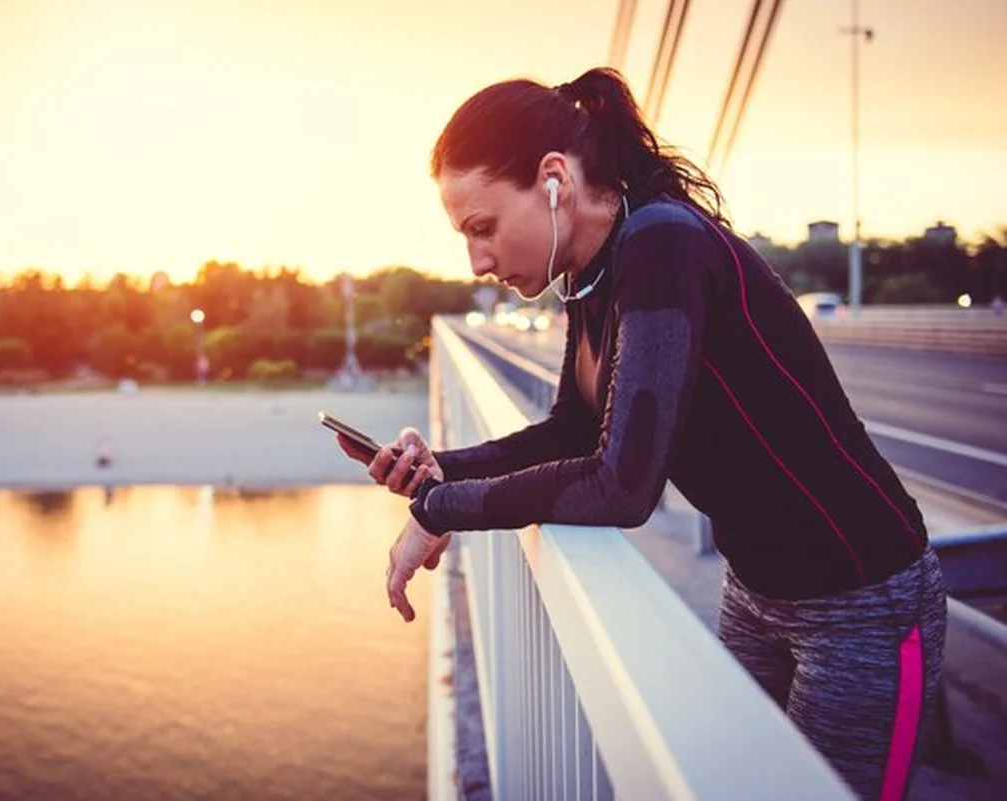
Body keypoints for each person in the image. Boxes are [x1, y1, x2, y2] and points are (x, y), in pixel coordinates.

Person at [336, 67, 947, 801]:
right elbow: (575, 427)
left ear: (554, 180)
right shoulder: (591, 273)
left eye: (483, 227)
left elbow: (623, 486)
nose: (478, 261)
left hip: (863, 602)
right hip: (756, 589)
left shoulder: (661, 245)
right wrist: (440, 472)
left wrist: (440, 511)